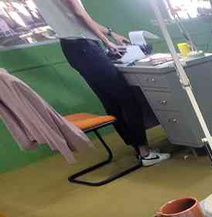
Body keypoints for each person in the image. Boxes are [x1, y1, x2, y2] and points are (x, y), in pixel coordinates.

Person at [34, 0, 170, 166]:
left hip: (72, 48)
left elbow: (78, 19)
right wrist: (107, 41)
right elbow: (80, 14)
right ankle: (144, 153)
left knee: (111, 100)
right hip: (85, 47)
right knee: (127, 98)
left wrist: (111, 34)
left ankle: (138, 149)